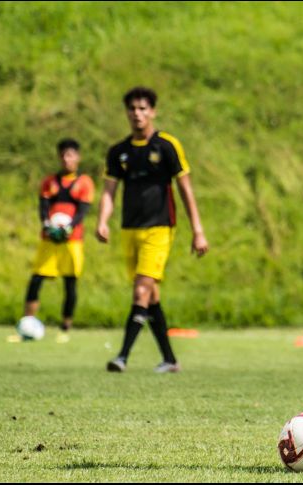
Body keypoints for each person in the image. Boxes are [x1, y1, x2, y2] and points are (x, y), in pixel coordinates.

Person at [96, 86, 209, 373]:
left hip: (159, 229)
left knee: (140, 291)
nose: (137, 114)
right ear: (126, 113)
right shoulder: (118, 152)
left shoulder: (167, 146)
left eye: (143, 108)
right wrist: (102, 220)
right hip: (129, 230)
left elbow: (185, 188)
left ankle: (121, 356)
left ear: (153, 112)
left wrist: (197, 230)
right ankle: (170, 360)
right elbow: (109, 190)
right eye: (132, 109)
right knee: (151, 296)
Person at [23, 138, 94, 343]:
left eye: (70, 155)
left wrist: (69, 227)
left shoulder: (83, 183)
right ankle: (27, 323)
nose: (66, 159)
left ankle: (65, 328)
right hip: (49, 240)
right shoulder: (49, 182)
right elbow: (43, 207)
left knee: (70, 283)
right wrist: (47, 224)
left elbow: (83, 211)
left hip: (72, 242)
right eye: (63, 155)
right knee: (36, 280)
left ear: (77, 158)